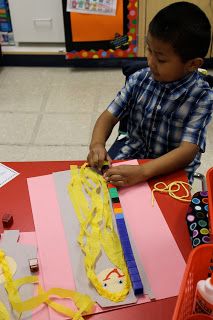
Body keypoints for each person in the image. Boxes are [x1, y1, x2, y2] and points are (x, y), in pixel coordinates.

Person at [87, 1, 213, 187]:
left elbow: (188, 151)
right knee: (102, 196)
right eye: (149, 50)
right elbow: (108, 116)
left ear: (193, 64)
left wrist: (144, 172)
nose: (150, 61)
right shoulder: (139, 79)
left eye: (160, 58)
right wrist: (97, 144)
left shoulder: (201, 97)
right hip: (133, 153)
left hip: (172, 168)